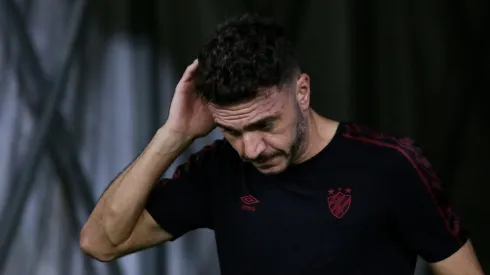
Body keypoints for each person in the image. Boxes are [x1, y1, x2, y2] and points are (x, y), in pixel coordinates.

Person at [80, 14, 484, 275]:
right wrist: (174, 134)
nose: (252, 148)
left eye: (265, 123)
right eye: (232, 131)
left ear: (302, 91)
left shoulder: (390, 165)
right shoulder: (219, 170)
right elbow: (101, 241)